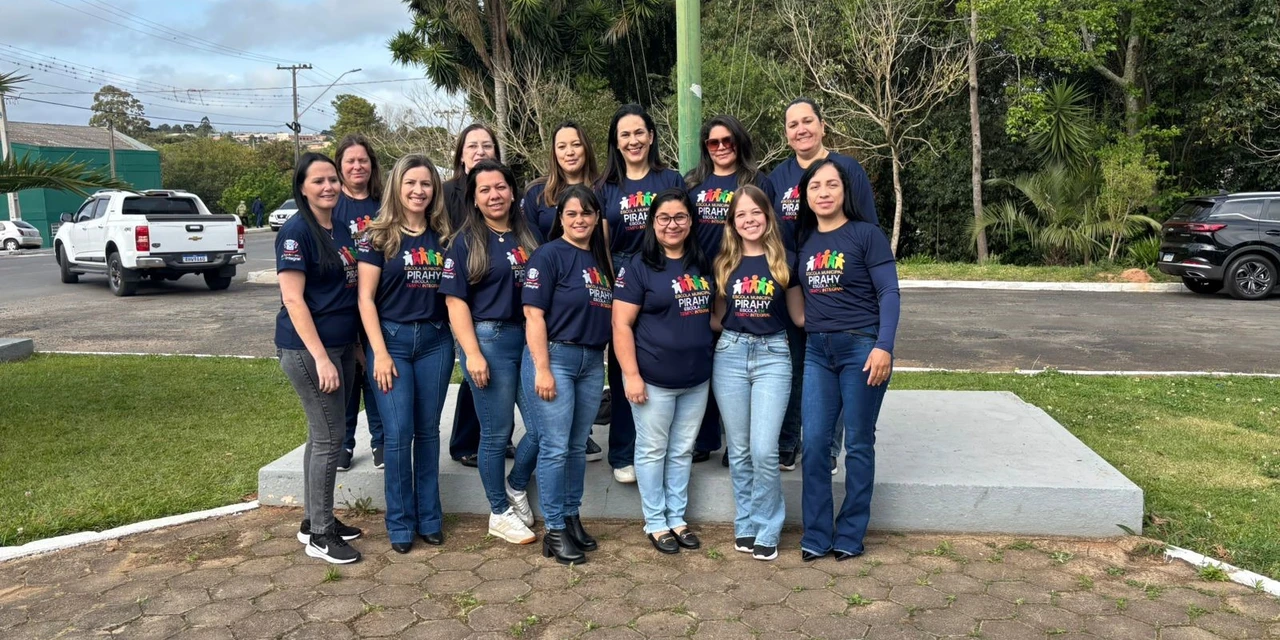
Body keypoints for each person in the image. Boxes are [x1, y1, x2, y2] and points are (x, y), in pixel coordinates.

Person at [767, 98, 880, 475]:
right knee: (798, 366)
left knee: (840, 372)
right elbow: (769, 233)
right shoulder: (777, 179)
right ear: (786, 134)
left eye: (807, 122)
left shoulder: (847, 169)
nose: (801, 129)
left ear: (822, 125)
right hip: (795, 285)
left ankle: (830, 449)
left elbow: (867, 228)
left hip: (841, 287)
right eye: (793, 124)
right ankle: (790, 443)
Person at [795, 158, 899, 562]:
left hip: (862, 349)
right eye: (815, 186)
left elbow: (889, 292)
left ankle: (851, 534)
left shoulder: (866, 234)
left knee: (857, 442)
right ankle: (817, 534)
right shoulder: (805, 241)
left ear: (844, 191)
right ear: (806, 196)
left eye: (831, 185)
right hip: (818, 352)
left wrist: (884, 346)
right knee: (816, 444)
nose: (823, 192)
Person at [441, 158, 543, 545]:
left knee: (539, 429)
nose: (493, 195)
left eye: (499, 187)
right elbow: (455, 304)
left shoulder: (529, 234)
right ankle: (498, 511)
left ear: (512, 191)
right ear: (474, 198)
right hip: (490, 340)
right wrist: (472, 354)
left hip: (529, 338)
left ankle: (517, 486)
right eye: (484, 189)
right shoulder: (465, 242)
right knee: (497, 434)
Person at [355, 155, 453, 554]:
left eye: (426, 184)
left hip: (435, 342)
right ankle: (399, 521)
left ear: (435, 190)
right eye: (411, 183)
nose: (418, 190)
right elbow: (365, 299)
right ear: (397, 186)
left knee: (428, 433)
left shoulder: (445, 238)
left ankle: (430, 517)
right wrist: (378, 352)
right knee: (397, 435)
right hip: (392, 342)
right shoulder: (376, 237)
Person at [612, 188, 713, 554]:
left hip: (697, 379)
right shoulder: (638, 267)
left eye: (680, 217)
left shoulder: (702, 263)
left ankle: (677, 517)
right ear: (653, 223)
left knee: (682, 450)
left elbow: (712, 314)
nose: (673, 225)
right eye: (664, 218)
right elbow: (621, 325)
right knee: (653, 450)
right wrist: (631, 375)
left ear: (691, 221)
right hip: (653, 379)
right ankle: (656, 521)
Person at [274, 152, 364, 564]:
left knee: (320, 435)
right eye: (318, 181)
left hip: (343, 346)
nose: (328, 186)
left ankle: (314, 520)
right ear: (303, 187)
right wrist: (321, 358)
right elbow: (293, 299)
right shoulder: (297, 232)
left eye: (332, 179)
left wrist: (356, 349)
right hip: (310, 350)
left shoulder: (341, 228)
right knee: (331, 438)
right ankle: (322, 536)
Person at [709, 184, 804, 562]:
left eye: (756, 213)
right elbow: (717, 318)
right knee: (742, 450)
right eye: (741, 215)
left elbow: (799, 317)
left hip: (773, 357)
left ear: (768, 217)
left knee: (765, 450)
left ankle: (769, 524)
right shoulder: (724, 264)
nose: (749, 220)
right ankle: (745, 522)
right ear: (732, 222)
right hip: (730, 355)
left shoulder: (785, 263)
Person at [519, 185, 613, 565]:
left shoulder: (601, 260)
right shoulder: (548, 255)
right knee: (555, 447)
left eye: (587, 213)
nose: (580, 220)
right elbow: (533, 314)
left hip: (591, 363)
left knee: (576, 447)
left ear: (596, 217)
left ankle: (571, 516)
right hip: (555, 357)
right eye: (572, 213)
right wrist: (541, 367)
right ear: (561, 217)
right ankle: (554, 529)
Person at [596, 104, 684, 484]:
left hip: (663, 274)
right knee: (622, 366)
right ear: (616, 143)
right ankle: (623, 452)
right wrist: (616, 280)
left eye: (639, 133)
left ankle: (664, 448)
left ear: (650, 136)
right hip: (620, 279)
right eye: (625, 135)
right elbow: (599, 244)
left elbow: (681, 228)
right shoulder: (605, 187)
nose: (633, 140)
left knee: (661, 361)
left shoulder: (671, 179)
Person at [685, 115, 769, 465]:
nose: (721, 148)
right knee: (704, 357)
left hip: (744, 277)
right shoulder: (693, 182)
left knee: (742, 361)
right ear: (706, 147)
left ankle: (739, 443)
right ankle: (704, 438)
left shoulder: (756, 181)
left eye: (728, 141)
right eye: (713, 142)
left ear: (739, 142)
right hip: (700, 277)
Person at [520, 121, 606, 463]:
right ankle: (522, 481)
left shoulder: (603, 189)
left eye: (576, 144)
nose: (570, 152)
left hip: (591, 288)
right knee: (549, 431)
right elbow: (527, 241)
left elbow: (605, 246)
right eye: (562, 146)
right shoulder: (538, 193)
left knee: (566, 432)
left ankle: (581, 436)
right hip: (549, 292)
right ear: (553, 153)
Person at [443, 124, 502, 467]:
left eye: (487, 145)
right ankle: (465, 442)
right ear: (461, 154)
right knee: (473, 370)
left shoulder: (503, 189)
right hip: (460, 293)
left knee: (501, 374)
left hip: (496, 295)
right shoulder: (447, 192)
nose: (480, 151)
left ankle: (497, 438)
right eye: (472, 146)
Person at [333, 134, 386, 472]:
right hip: (342, 302)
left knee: (378, 374)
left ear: (372, 165)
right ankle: (343, 444)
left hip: (379, 302)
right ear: (340, 166)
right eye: (350, 161)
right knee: (349, 376)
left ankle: (382, 441)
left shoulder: (383, 204)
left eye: (363, 160)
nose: (357, 166)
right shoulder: (331, 202)